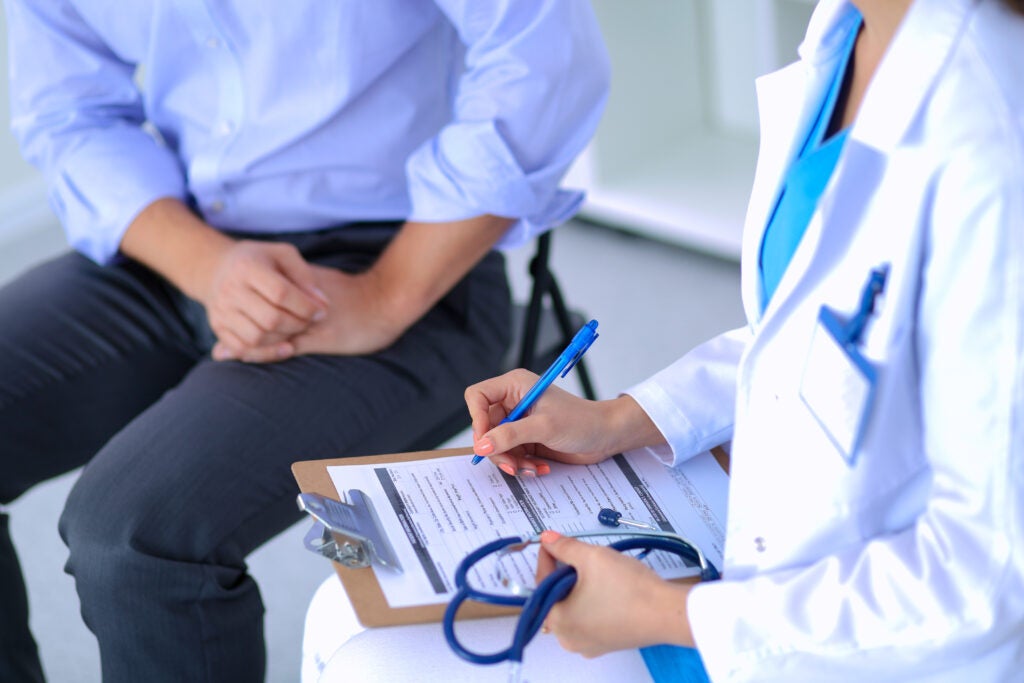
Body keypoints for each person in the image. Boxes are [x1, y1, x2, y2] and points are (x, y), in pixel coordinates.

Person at [0, 2, 609, 681]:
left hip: (397, 256)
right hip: (173, 235)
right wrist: (208, 267)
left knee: (133, 533)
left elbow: (547, 54)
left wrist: (387, 294)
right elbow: (69, 112)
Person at [466, 0, 1024, 680]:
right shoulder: (847, 30)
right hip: (755, 581)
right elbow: (812, 335)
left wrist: (668, 612)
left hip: (858, 647)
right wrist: (614, 419)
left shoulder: (992, 138)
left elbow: (987, 581)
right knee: (346, 624)